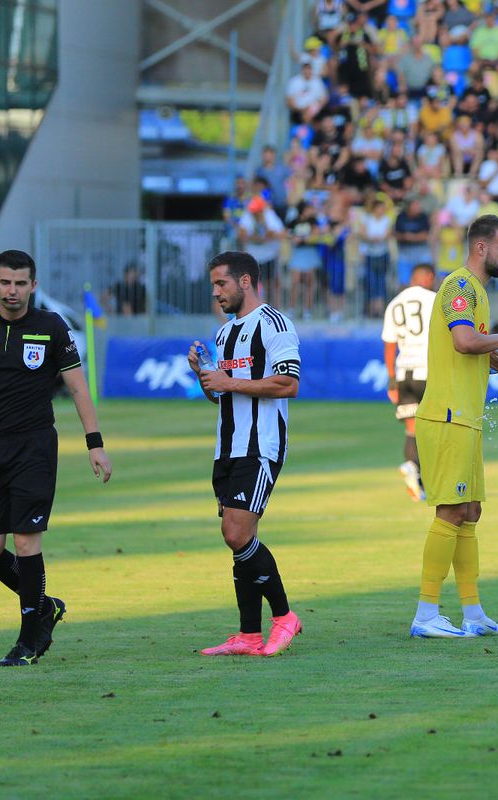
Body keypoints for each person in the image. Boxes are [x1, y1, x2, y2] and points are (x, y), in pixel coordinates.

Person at [0, 250, 112, 666]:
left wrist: (95, 443)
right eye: (4, 282)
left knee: (25, 540)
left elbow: (78, 389)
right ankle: (45, 605)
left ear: (33, 286)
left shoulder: (51, 327)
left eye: (20, 283)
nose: (12, 291)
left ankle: (29, 640)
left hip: (34, 447)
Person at [410, 215, 498, 638]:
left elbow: (468, 347)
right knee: (452, 510)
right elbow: (462, 341)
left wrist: (492, 354)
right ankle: (425, 614)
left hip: (466, 418)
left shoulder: (477, 290)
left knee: (471, 512)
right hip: (447, 415)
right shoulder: (460, 286)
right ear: (481, 248)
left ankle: (473, 614)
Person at [188, 251, 302, 657]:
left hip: (260, 445)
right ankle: (249, 635)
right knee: (240, 540)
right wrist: (205, 378)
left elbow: (288, 384)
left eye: (222, 283)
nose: (216, 291)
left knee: (236, 534)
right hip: (228, 447)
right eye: (213, 284)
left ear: (246, 282)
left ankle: (285, 617)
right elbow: (221, 396)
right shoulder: (224, 334)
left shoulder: (274, 324)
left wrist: (228, 383)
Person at [383, 263, 437, 503]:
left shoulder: (395, 303)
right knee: (434, 427)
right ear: (427, 278)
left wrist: (392, 379)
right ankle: (427, 478)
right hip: (429, 371)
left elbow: (389, 344)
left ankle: (413, 471)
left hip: (404, 372)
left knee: (412, 429)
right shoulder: (434, 299)